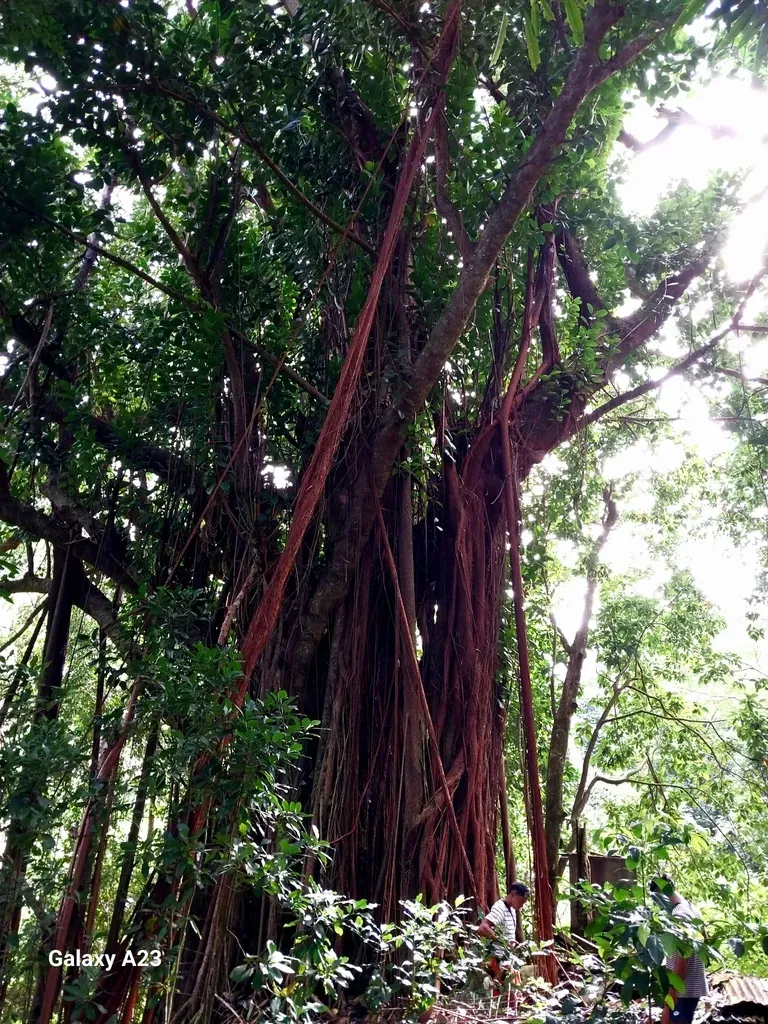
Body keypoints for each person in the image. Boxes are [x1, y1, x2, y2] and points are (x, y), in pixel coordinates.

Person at [650, 874, 709, 1024]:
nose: (658, 905)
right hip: (688, 985)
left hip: (683, 988)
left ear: (660, 892)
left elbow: (683, 956)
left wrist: (673, 990)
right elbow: (705, 939)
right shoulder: (691, 907)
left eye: (657, 899)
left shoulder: (679, 914)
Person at [477, 881, 529, 986]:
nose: (522, 905)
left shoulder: (512, 909)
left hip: (508, 959)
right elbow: (483, 928)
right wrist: (504, 942)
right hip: (498, 959)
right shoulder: (500, 907)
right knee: (501, 989)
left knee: (513, 989)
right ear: (513, 894)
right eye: (521, 901)